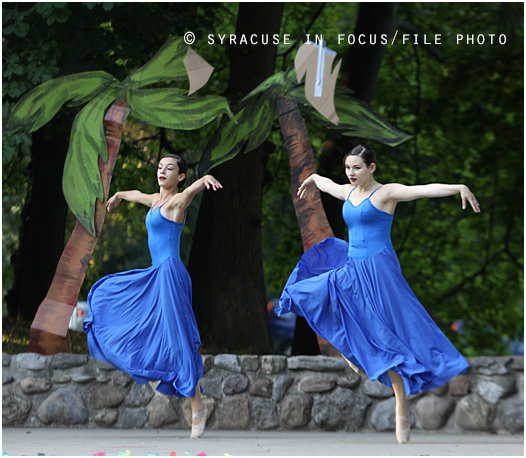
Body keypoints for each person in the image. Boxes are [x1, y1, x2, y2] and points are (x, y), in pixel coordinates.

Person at [278, 145, 480, 444]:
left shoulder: (386, 193)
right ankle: (353, 352)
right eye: (348, 168)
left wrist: (459, 187)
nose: (351, 173)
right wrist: (312, 178)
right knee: (311, 292)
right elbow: (326, 183)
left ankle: (401, 408)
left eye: (357, 168)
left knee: (390, 337)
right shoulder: (349, 192)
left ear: (371, 168)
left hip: (380, 271)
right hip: (352, 266)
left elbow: (423, 190)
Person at [83, 154, 222, 439]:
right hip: (156, 273)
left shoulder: (174, 203)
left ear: (180, 176)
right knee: (140, 321)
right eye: (159, 167)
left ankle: (197, 408)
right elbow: (139, 195)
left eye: (169, 168)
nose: (162, 171)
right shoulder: (156, 201)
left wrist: (202, 181)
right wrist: (120, 194)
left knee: (179, 340)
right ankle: (181, 388)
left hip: (170, 274)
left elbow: (187, 195)